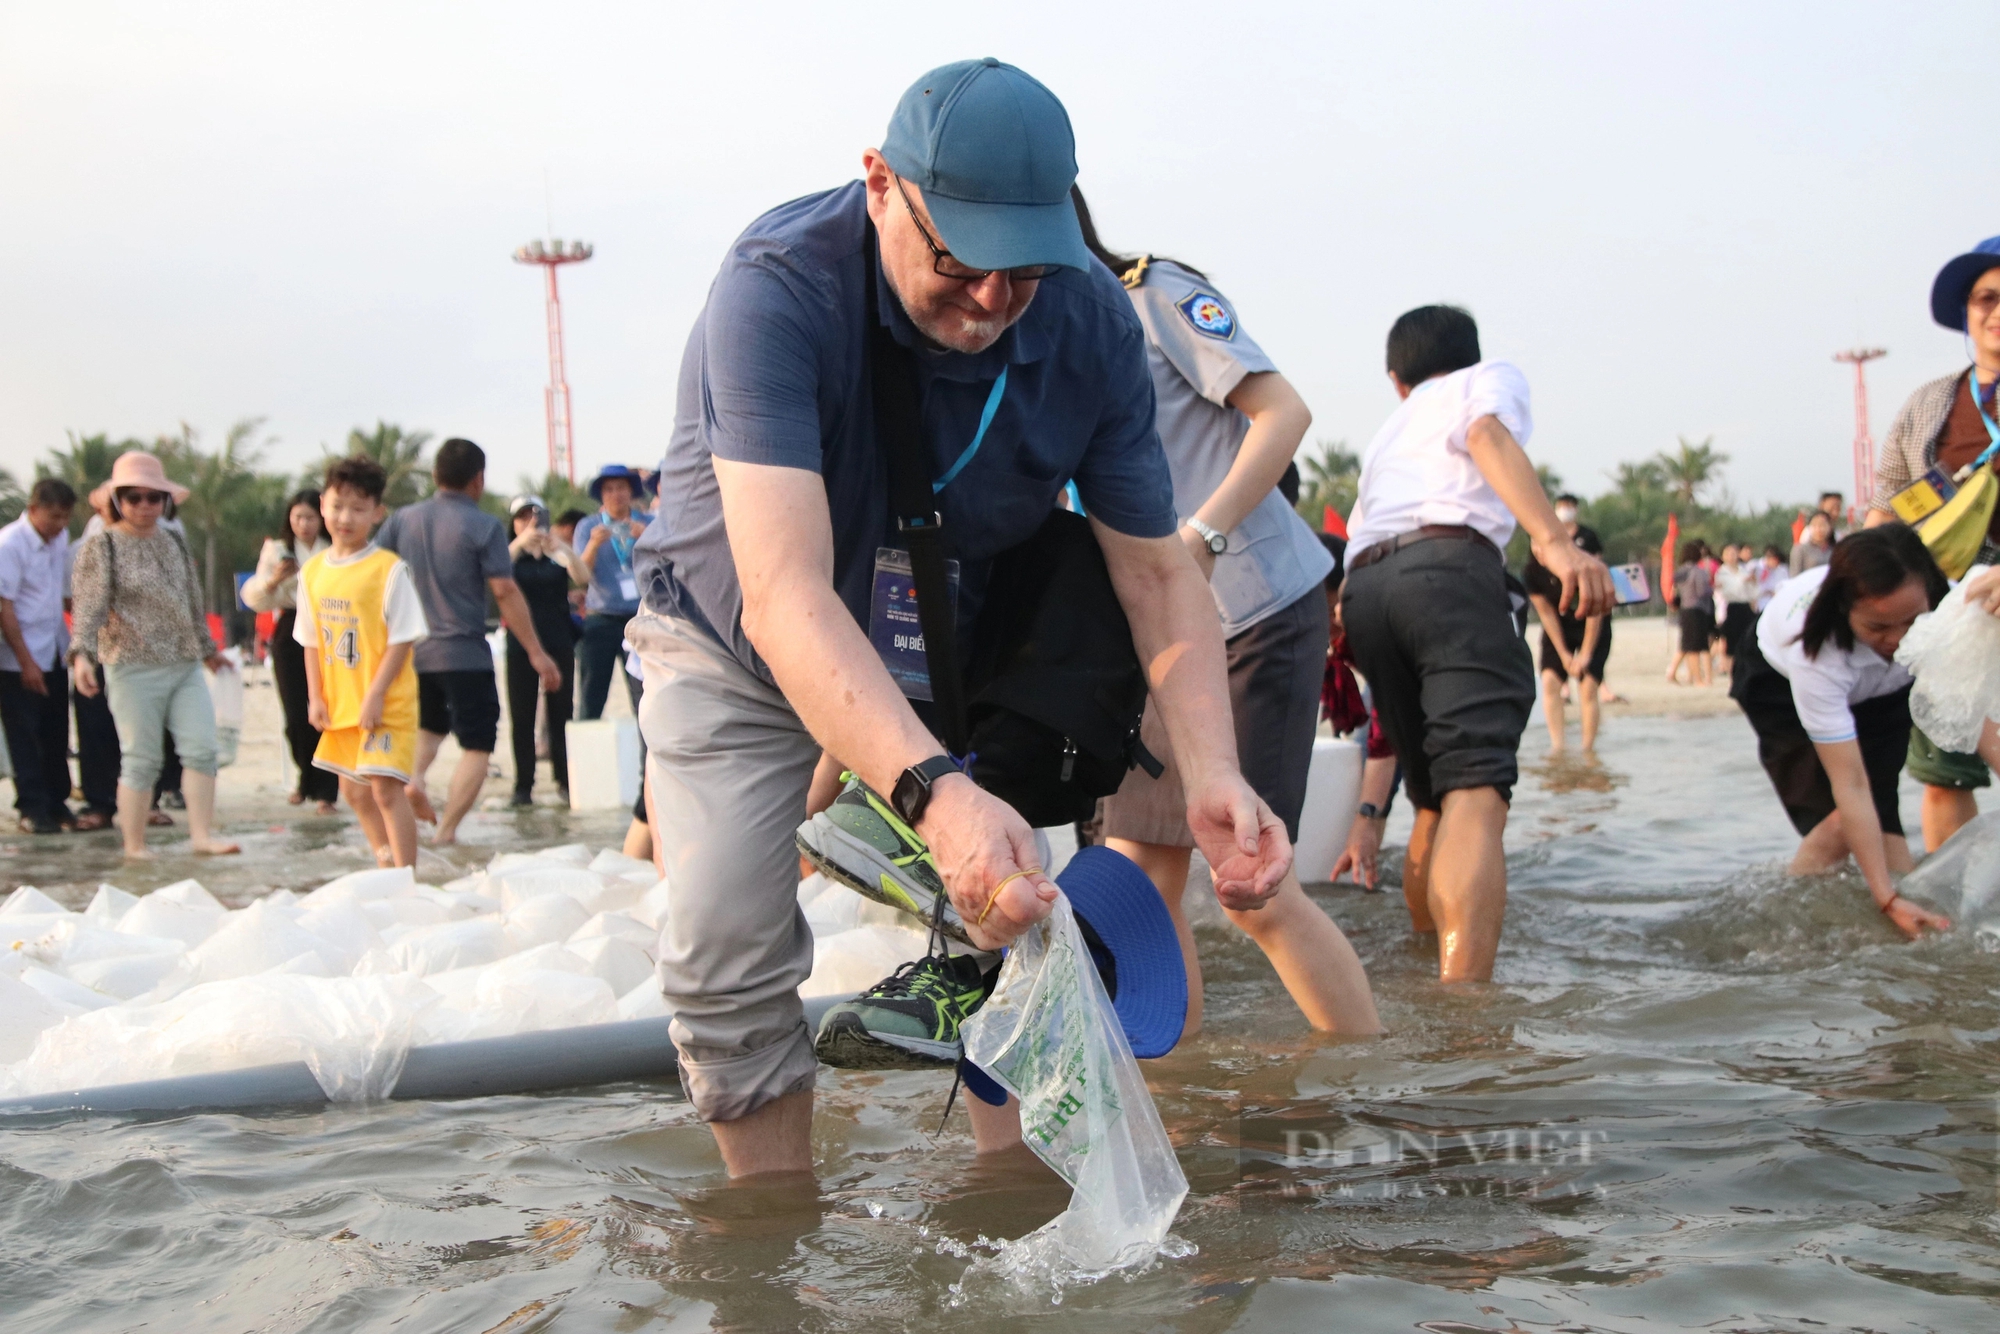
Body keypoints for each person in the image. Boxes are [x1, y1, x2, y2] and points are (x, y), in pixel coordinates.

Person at [628, 58, 1290, 1175]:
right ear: (880, 184)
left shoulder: (1087, 319)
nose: (991, 302)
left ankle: (1012, 1187)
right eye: (959, 261)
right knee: (722, 949)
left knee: (1008, 907)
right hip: (735, 640)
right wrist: (934, 795)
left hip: (934, 633)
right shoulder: (778, 288)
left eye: (1024, 268)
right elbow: (784, 596)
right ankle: (770, 1232)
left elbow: (1157, 575)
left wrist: (1211, 770)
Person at [1069, 191, 1379, 1038]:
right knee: (1133, 883)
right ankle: (1183, 1104)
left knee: (1253, 883)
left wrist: (1203, 532)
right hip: (1156, 642)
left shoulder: (1153, 294)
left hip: (1253, 610)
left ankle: (1368, 1081)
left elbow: (1285, 413)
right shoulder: (1024, 346)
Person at [1340, 305, 1613, 983]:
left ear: (1396, 380)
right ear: (1469, 356)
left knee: (1431, 797)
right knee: (1475, 789)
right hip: (1448, 576)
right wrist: (1553, 542)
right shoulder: (1481, 381)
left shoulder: (1388, 433)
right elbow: (1486, 431)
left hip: (1367, 593)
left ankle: (1421, 961)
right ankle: (1464, 1014)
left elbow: (1359, 530)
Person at [1729, 526, 1951, 939]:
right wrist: (1885, 898)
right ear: (1844, 610)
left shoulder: (1946, 606)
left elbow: (1980, 722)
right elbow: (1849, 784)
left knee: (1882, 803)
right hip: (1778, 688)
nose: (1898, 639)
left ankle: (1916, 928)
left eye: (1911, 622)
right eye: (1879, 627)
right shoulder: (1816, 653)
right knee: (1836, 821)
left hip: (1884, 691)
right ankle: (1782, 930)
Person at [1865, 235, 2000, 853]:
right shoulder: (1929, 404)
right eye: (1987, 298)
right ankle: (1967, 929)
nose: (1997, 311)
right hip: (1950, 606)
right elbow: (1886, 504)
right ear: (1967, 314)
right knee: (1946, 776)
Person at [374, 438, 563, 845]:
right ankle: (446, 831)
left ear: (436, 475)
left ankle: (417, 778)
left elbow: (376, 575)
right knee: (478, 744)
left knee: (431, 724)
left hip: (412, 653)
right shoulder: (482, 525)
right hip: (464, 652)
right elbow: (505, 590)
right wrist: (536, 652)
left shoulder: (402, 520)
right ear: (478, 479)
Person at [66, 451, 240, 858]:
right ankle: (135, 845)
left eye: (153, 497)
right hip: (132, 665)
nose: (144, 506)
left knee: (201, 749)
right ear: (117, 501)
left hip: (183, 664)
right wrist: (81, 657)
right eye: (133, 497)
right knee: (141, 758)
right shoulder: (103, 546)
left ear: (165, 501)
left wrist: (208, 652)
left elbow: (190, 601)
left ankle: (201, 836)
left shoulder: (174, 540)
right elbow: (88, 607)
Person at [297, 457, 429, 868]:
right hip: (341, 705)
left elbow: (403, 638)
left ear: (376, 513)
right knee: (353, 792)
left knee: (386, 790)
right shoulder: (313, 571)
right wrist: (315, 696)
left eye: (358, 509)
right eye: (337, 506)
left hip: (385, 704)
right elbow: (311, 640)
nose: (345, 518)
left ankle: (406, 875)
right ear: (323, 505)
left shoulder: (388, 569)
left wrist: (375, 695)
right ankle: (384, 861)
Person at [241, 489, 337, 813]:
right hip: (290, 626)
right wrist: (273, 581)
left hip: (329, 627)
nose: (304, 524)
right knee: (296, 712)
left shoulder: (334, 546)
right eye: (297, 517)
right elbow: (256, 595)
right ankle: (305, 777)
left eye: (310, 517)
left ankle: (326, 789)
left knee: (325, 708)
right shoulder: (278, 550)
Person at [0, 479, 77, 834]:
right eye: (53, 517)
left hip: (55, 649)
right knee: (24, 734)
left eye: (65, 518)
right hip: (18, 656)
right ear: (33, 510)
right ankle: (32, 806)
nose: (59, 525)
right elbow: (5, 607)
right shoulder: (10, 544)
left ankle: (57, 800)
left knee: (55, 731)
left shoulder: (59, 540)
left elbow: (62, 595)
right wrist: (26, 661)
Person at [505, 494, 584, 805]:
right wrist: (520, 543)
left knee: (561, 713)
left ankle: (564, 781)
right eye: (522, 518)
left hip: (557, 639)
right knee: (521, 714)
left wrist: (561, 547)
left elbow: (582, 577)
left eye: (535, 517)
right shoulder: (510, 557)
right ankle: (523, 785)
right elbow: (493, 575)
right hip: (520, 642)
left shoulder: (555, 555)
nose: (530, 523)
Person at [1524, 494, 1610, 753]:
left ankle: (1587, 749)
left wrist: (1584, 653)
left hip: (1591, 623)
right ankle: (1558, 747)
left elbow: (1596, 610)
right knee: (1550, 681)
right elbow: (1546, 614)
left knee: (1588, 687)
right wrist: (1563, 654)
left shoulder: (1582, 564)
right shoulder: (1532, 573)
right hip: (1558, 628)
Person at [573, 464, 651, 720]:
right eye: (608, 489)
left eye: (621, 488)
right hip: (602, 617)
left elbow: (672, 563)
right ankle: (583, 756)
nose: (615, 494)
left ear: (631, 492)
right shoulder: (588, 526)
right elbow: (578, 576)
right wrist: (594, 545)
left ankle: (647, 758)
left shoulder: (649, 523)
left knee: (646, 695)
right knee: (591, 694)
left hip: (641, 617)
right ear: (601, 495)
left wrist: (649, 538)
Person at [1667, 540, 1714, 686]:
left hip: (1684, 610)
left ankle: (1674, 673)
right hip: (1697, 610)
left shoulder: (1679, 572)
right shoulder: (1698, 572)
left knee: (1687, 644)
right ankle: (1699, 679)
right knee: (1697, 647)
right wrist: (1712, 588)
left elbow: (1674, 590)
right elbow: (1701, 591)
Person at [1713, 540, 1758, 673]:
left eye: (1734, 553)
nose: (1732, 556)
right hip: (1732, 607)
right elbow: (1727, 591)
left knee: (1748, 639)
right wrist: (1743, 581)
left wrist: (1751, 582)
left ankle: (1746, 669)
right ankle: (1730, 670)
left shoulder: (1744, 570)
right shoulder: (1722, 572)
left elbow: (1753, 592)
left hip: (1746, 607)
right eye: (1728, 554)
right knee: (1731, 642)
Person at [1790, 510, 1834, 575]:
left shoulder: (1836, 550)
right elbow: (1795, 576)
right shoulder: (1800, 549)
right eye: (1814, 525)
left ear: (1830, 527)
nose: (1818, 529)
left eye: (1822, 525)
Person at [1754, 543, 1788, 611]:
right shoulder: (1759, 568)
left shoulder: (1782, 570)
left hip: (1778, 603)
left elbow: (1785, 584)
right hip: (1763, 602)